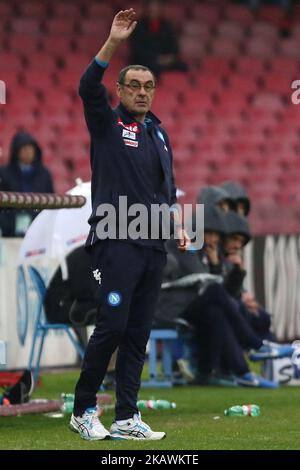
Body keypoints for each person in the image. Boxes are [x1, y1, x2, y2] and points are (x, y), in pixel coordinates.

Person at [70, 9, 190, 441]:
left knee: (138, 332)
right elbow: (87, 87)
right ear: (119, 91)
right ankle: (84, 409)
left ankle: (125, 417)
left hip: (153, 244)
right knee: (114, 326)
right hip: (116, 240)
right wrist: (113, 42)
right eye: (134, 86)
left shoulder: (159, 133)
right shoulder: (107, 123)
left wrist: (173, 223)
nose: (142, 92)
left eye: (148, 87)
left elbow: (165, 189)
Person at [0, 131, 54, 237]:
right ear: (16, 151)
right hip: (11, 231)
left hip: (39, 228)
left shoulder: (44, 174)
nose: (28, 152)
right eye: (24, 148)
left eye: (30, 148)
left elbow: (51, 202)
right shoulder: (4, 174)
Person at [130, 0, 187, 76]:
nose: (153, 10)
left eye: (156, 8)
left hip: (165, 60)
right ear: (146, 9)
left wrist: (169, 58)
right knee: (153, 69)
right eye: (151, 8)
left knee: (183, 67)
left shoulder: (167, 26)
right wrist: (157, 58)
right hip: (145, 61)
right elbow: (138, 50)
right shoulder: (139, 26)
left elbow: (174, 47)